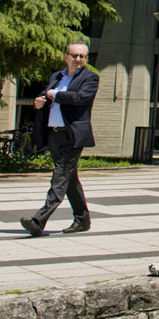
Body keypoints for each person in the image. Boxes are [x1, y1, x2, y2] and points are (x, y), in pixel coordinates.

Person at [21, 40, 98, 237]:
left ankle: (39, 220)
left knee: (60, 176)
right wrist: (40, 101)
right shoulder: (57, 76)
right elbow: (45, 96)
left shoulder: (91, 78)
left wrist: (53, 94)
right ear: (66, 57)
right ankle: (82, 220)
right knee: (70, 179)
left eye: (82, 56)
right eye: (75, 55)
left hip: (72, 135)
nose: (78, 59)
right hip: (54, 133)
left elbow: (80, 98)